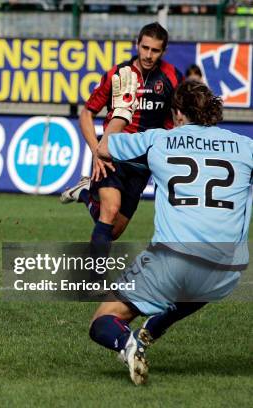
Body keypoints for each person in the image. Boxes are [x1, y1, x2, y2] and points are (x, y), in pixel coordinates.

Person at [89, 71, 252, 385]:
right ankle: (153, 329)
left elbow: (104, 148)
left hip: (173, 261)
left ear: (177, 114)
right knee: (200, 281)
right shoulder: (246, 146)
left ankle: (127, 342)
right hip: (228, 270)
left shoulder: (159, 140)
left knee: (103, 321)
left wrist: (122, 109)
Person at [60, 22, 182, 257]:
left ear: (163, 52)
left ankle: (85, 193)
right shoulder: (118, 74)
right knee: (110, 210)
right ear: (137, 45)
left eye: (155, 50)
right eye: (144, 48)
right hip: (113, 154)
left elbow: (180, 116)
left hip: (143, 162)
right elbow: (87, 113)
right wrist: (97, 151)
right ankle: (93, 281)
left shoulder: (172, 77)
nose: (148, 55)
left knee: (113, 230)